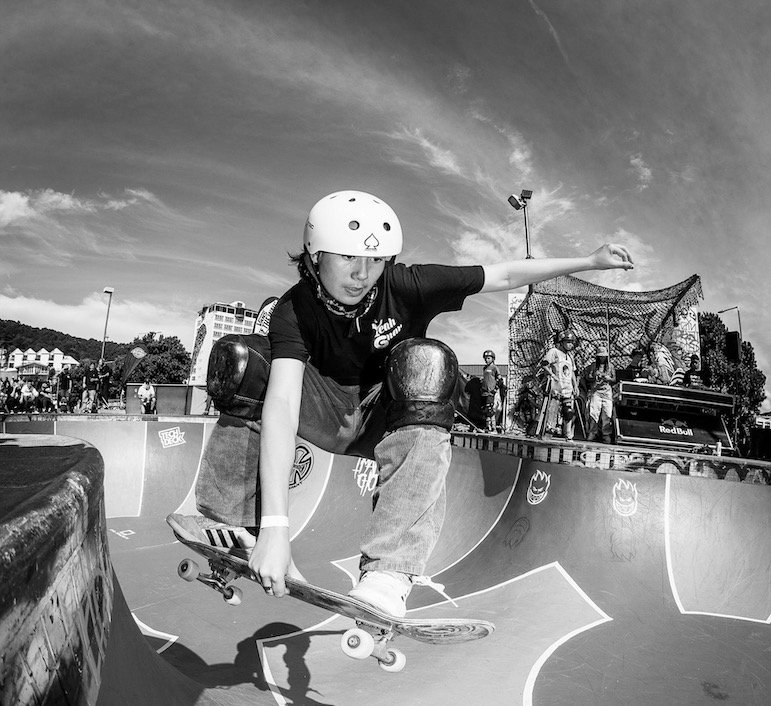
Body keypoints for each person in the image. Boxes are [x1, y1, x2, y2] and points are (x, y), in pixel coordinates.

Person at [196, 189, 633, 616]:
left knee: (427, 361)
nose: (361, 274)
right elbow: (284, 402)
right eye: (347, 256)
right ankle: (233, 520)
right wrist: (276, 529)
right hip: (325, 411)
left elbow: (503, 275)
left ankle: (389, 572)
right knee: (246, 361)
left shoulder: (408, 284)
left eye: (374, 260)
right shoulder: (295, 308)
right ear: (315, 255)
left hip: (390, 422)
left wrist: (590, 261)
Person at [539, 329, 580, 440]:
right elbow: (544, 365)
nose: (570, 345)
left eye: (572, 342)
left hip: (568, 388)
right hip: (556, 387)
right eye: (568, 342)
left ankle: (568, 435)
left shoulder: (570, 357)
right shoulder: (554, 352)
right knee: (553, 410)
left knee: (569, 412)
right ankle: (548, 434)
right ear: (562, 341)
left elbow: (572, 372)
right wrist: (552, 375)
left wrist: (575, 386)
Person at [581, 344, 616, 443]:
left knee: (607, 414)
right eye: (600, 356)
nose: (602, 358)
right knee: (594, 413)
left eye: (603, 356)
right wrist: (594, 376)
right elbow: (588, 377)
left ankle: (606, 435)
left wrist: (608, 378)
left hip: (607, 392)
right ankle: (592, 432)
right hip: (596, 391)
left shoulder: (611, 366)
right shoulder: (593, 366)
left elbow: (614, 379)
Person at [480, 350, 501, 432]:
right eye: (485, 358)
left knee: (490, 410)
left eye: (488, 358)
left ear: (492, 359)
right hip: (484, 392)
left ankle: (494, 428)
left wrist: (494, 390)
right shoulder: (484, 368)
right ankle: (487, 427)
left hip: (490, 392)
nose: (486, 360)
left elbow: (500, 381)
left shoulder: (494, 368)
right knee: (485, 410)